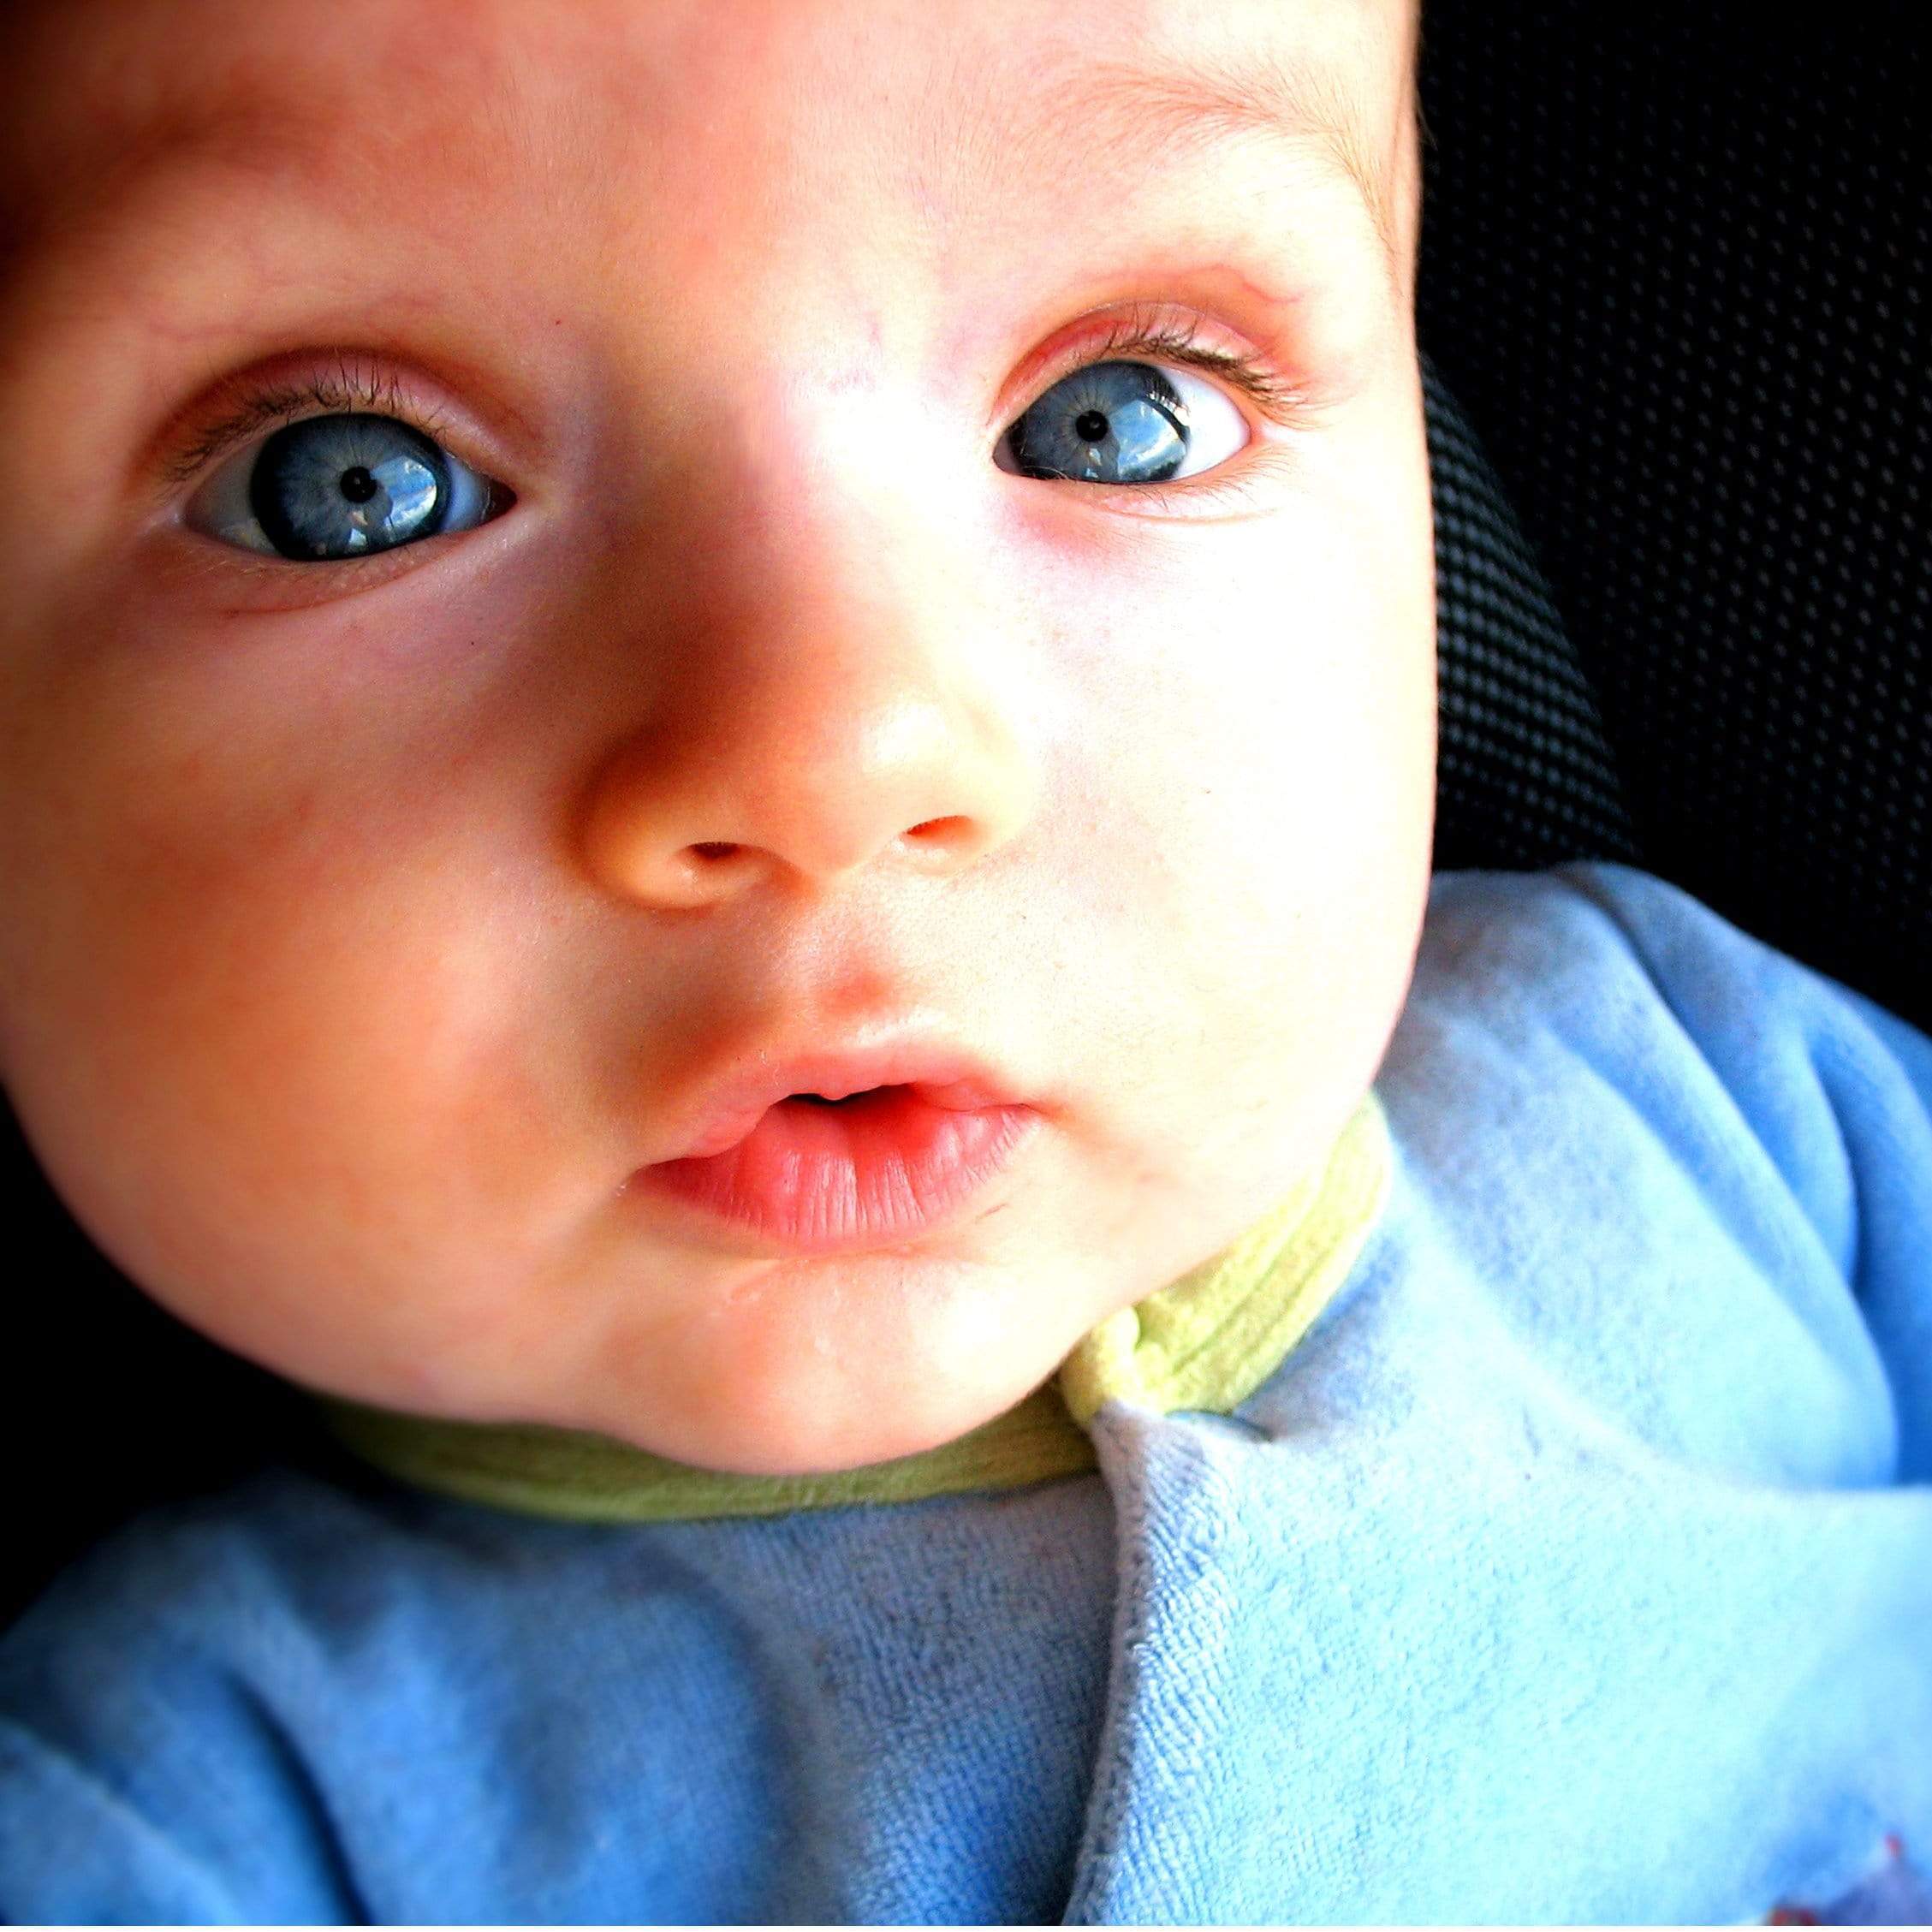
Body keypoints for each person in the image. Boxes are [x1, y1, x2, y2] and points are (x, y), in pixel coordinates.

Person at [0, 0, 1926, 1920]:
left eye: (1117, 423)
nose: (836, 751)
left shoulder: (1710, 1086)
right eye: (351, 485)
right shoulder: (186, 1813)